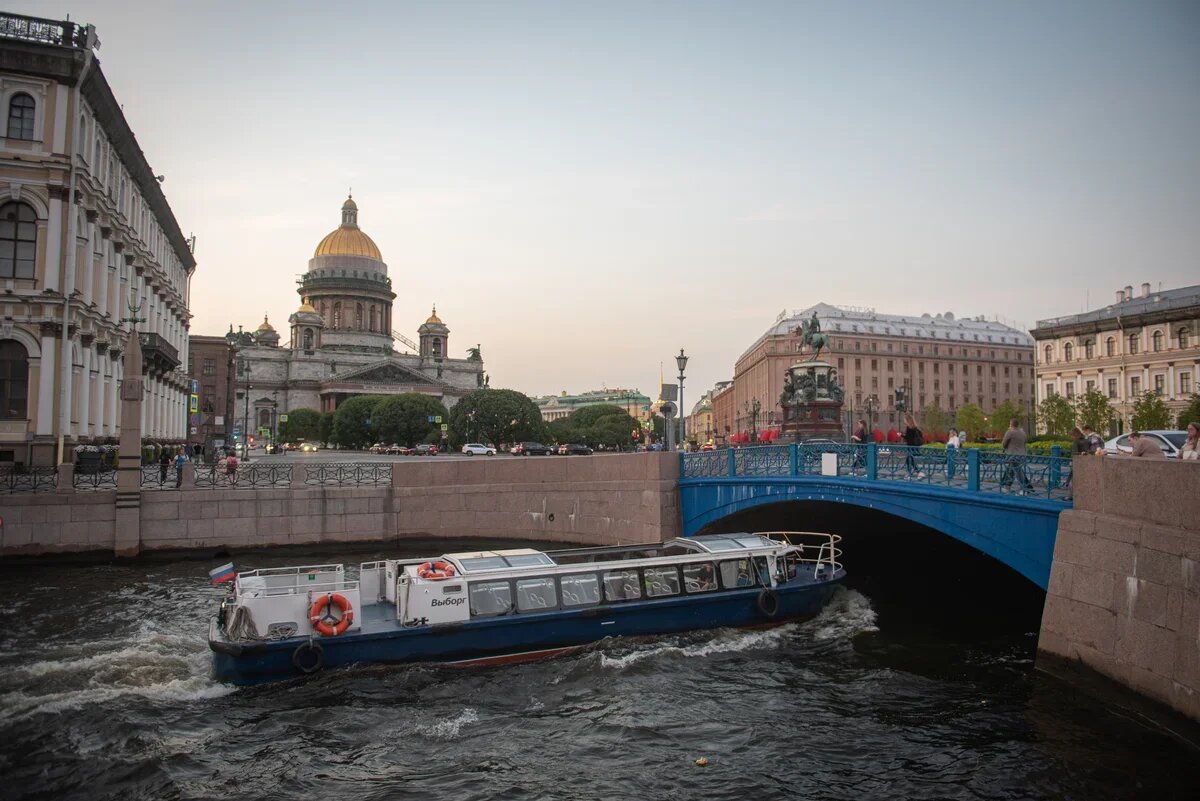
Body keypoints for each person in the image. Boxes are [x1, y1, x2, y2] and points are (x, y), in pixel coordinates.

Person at [1000, 418, 1033, 493]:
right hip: (1022, 455)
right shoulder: (1023, 432)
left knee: (1018, 472)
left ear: (1011, 424)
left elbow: (1004, 444)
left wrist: (1005, 448)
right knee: (1011, 470)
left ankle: (1025, 488)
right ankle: (1007, 486)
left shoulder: (1010, 432)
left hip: (1013, 455)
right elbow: (1025, 442)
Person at [902, 413, 924, 477]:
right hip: (914, 447)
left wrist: (901, 435)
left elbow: (908, 438)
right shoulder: (915, 427)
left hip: (910, 447)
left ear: (907, 420)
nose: (904, 421)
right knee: (910, 460)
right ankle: (917, 472)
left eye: (904, 420)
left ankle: (910, 473)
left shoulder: (909, 428)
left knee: (909, 460)